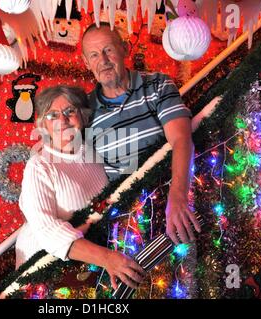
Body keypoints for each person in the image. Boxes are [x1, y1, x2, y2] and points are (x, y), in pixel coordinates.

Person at [15, 85, 146, 289]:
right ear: (42, 125)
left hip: (85, 268)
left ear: (82, 117)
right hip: (43, 273)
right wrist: (107, 258)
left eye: (70, 111)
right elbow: (48, 232)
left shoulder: (92, 152)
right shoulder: (39, 166)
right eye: (52, 115)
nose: (62, 120)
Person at [81, 22, 201, 244]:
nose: (104, 61)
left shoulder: (157, 84)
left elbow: (181, 139)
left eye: (108, 50)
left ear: (125, 49)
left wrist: (178, 197)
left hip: (172, 200)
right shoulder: (84, 111)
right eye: (95, 55)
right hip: (127, 225)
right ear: (87, 63)